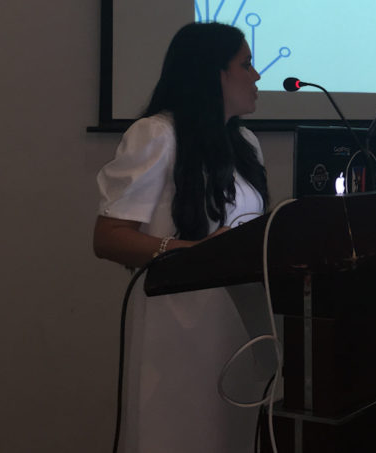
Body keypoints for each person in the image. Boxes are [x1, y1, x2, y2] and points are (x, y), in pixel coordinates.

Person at [94, 22, 273, 453]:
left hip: (242, 321)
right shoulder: (156, 134)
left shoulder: (246, 142)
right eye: (246, 64)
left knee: (234, 433)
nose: (257, 75)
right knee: (180, 433)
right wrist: (193, 252)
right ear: (214, 73)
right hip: (180, 325)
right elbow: (109, 237)